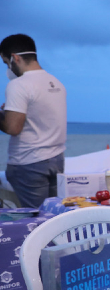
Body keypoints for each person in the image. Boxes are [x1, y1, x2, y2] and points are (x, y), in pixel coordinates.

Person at [0, 34, 67, 208]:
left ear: (15, 58)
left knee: (35, 222)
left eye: (6, 62)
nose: (8, 68)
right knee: (52, 218)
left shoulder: (19, 85)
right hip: (57, 160)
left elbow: (13, 128)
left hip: (28, 163)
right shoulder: (56, 83)